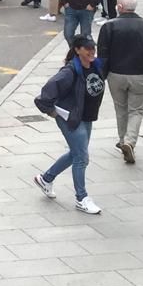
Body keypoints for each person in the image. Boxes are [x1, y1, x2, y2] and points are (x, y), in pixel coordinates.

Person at [32, 36, 108, 215]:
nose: (92, 52)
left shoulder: (96, 65)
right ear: (77, 50)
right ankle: (82, 198)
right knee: (82, 158)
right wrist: (52, 111)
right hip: (71, 118)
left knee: (76, 153)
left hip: (87, 116)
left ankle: (45, 178)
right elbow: (46, 94)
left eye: (93, 48)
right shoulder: (70, 71)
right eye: (87, 49)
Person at [96, 0, 143, 165]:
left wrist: (102, 75)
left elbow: (102, 54)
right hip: (140, 74)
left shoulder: (109, 26)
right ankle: (129, 141)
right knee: (137, 110)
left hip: (116, 74)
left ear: (119, 7)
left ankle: (123, 139)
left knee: (121, 108)